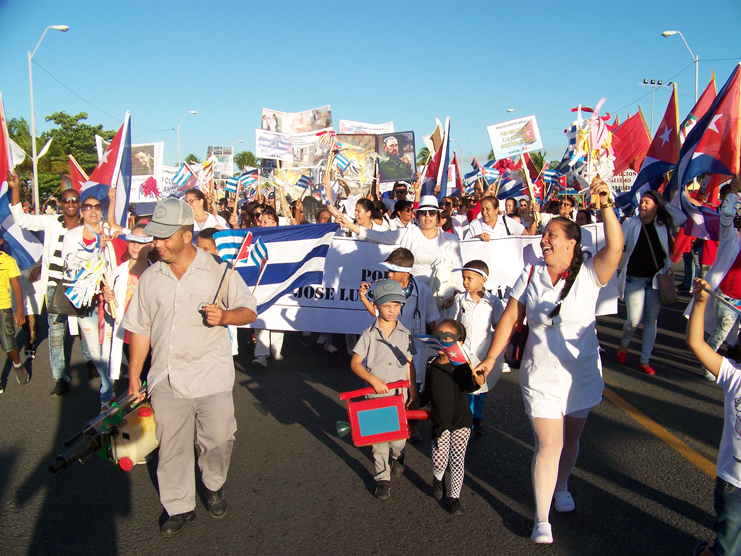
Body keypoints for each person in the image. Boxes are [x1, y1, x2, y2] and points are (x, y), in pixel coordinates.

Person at [474, 178, 623, 544]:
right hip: (540, 376)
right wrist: (492, 358)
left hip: (581, 373)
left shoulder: (590, 273)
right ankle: (542, 519)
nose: (544, 239)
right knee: (549, 444)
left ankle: (562, 486)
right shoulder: (530, 275)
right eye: (544, 234)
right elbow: (510, 319)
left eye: (552, 234)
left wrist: (605, 204)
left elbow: (615, 247)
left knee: (571, 440)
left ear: (572, 243)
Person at [123, 198, 257, 536]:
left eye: (164, 237)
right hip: (167, 376)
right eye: (155, 237)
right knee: (172, 445)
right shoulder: (152, 278)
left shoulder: (219, 270)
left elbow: (248, 311)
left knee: (219, 438)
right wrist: (134, 379)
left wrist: (225, 317)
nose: (157, 243)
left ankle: (212, 484)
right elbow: (139, 330)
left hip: (211, 374)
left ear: (185, 236)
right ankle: (179, 505)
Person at [7, 172, 92, 395]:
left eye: (75, 200)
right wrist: (15, 188)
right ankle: (59, 377)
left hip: (81, 286)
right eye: (66, 200)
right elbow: (22, 220)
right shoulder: (51, 222)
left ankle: (91, 362)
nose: (71, 204)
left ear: (80, 204)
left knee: (86, 329)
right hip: (55, 286)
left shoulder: (88, 225)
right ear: (60, 204)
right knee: (56, 334)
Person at [359, 248, 439, 442]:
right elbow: (376, 314)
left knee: (414, 387)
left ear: (406, 272)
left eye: (393, 271)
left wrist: (441, 347)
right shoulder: (383, 289)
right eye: (388, 270)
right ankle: (388, 426)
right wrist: (363, 297)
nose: (389, 274)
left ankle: (412, 425)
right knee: (388, 388)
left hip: (414, 350)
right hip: (387, 349)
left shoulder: (423, 290)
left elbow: (432, 318)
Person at [686, 277, 741, 556]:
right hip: (734, 482)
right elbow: (696, 342)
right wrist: (700, 302)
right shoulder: (734, 375)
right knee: (728, 549)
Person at [350, 279, 417, 500]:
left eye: (396, 305)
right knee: (379, 440)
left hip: (398, 396)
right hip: (375, 396)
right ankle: (382, 478)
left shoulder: (406, 333)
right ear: (376, 305)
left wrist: (413, 389)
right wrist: (373, 381)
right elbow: (355, 363)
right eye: (387, 305)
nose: (392, 310)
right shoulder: (368, 333)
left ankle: (399, 456)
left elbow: (409, 363)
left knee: (397, 441)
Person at [616, 190, 686, 374]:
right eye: (641, 202)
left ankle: (645, 360)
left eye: (647, 202)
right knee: (633, 320)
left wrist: (664, 202)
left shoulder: (663, 224)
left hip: (657, 280)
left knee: (650, 321)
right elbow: (617, 244)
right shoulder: (631, 223)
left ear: (656, 206)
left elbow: (681, 217)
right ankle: (624, 344)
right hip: (634, 280)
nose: (642, 205)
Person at [334, 195, 463, 294]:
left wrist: (454, 293)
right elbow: (378, 237)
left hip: (441, 297)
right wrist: (351, 225)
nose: (427, 216)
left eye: (432, 212)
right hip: (412, 293)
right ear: (417, 215)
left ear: (438, 215)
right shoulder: (407, 233)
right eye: (423, 213)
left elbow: (457, 269)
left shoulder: (451, 239)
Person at [419, 319, 484, 514]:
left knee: (457, 461)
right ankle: (438, 479)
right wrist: (412, 402)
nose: (442, 342)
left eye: (447, 338)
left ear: (459, 343)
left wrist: (478, 380)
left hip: (461, 421)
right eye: (437, 337)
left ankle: (455, 498)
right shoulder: (431, 364)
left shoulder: (463, 367)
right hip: (440, 423)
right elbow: (426, 393)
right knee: (439, 461)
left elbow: (471, 385)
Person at [62, 196, 118, 409]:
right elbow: (70, 263)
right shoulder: (72, 236)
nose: (92, 211)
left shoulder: (110, 234)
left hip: (108, 299)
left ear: (101, 211)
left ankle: (106, 395)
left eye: (97, 207)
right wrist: (96, 248)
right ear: (82, 211)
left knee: (110, 346)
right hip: (85, 300)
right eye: (88, 207)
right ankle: (108, 385)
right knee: (95, 350)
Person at [450, 260, 506, 435]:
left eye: (469, 278)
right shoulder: (460, 299)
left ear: (483, 280)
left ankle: (476, 417)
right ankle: (465, 416)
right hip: (464, 349)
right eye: (464, 278)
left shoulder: (493, 302)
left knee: (481, 385)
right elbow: (454, 323)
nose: (465, 282)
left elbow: (499, 326)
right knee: (465, 383)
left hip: (483, 350)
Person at [101, 224, 153, 383]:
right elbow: (112, 311)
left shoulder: (157, 272)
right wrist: (108, 302)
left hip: (151, 335)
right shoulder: (117, 273)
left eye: (141, 241)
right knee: (136, 374)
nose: (136, 246)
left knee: (151, 373)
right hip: (128, 335)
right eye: (132, 241)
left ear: (151, 246)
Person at [0, 236, 27, 393]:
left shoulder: (8, 261)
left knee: (8, 343)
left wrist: (20, 310)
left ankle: (17, 364)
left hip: (4, 307)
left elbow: (16, 286)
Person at [466, 196, 533, 240]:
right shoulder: (475, 225)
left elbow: (528, 235)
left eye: (487, 209)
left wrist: (534, 217)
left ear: (496, 210)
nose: (484, 212)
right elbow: (465, 245)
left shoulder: (507, 222)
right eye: (482, 209)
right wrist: (478, 237)